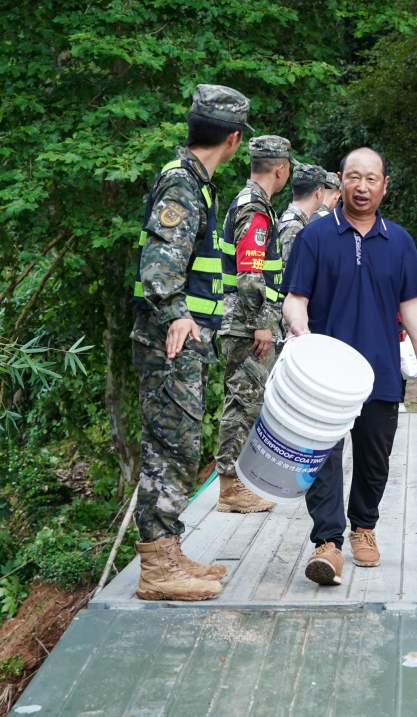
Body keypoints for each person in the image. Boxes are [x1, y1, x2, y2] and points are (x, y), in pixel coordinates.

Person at [282, 147, 417, 587]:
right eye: (354, 177)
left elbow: (412, 303)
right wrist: (300, 333)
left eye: (372, 179)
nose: (362, 187)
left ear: (385, 185)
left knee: (375, 459)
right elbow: (295, 298)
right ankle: (327, 544)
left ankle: (364, 527)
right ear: (340, 180)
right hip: (325, 378)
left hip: (381, 372)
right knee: (322, 459)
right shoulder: (314, 237)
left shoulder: (399, 240)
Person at [131, 84, 250, 601]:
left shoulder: (197, 184)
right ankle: (157, 570)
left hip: (185, 342)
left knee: (179, 446)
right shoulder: (182, 186)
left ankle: (169, 551)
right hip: (169, 343)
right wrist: (178, 316)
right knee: (170, 447)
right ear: (233, 138)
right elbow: (159, 271)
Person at [213, 136, 291, 515]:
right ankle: (230, 488)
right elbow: (250, 273)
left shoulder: (254, 204)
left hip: (246, 322)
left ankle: (239, 483)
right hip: (246, 325)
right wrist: (262, 323)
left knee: (250, 401)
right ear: (280, 168)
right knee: (243, 403)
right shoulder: (255, 210)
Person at [277, 163, 328, 267]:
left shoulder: (290, 219)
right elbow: (292, 275)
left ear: (293, 190)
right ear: (318, 193)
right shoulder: (295, 227)